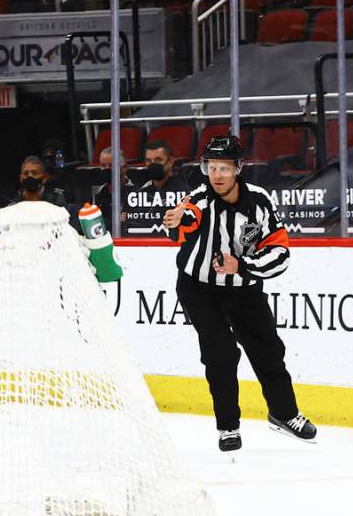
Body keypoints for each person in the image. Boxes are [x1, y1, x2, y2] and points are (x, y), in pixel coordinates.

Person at [162, 135, 317, 453]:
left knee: (268, 351)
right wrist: (174, 222)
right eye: (211, 167)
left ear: (239, 168)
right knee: (220, 353)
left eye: (224, 168)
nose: (216, 175)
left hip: (244, 289)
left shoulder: (260, 202)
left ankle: (284, 414)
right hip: (199, 289)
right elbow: (187, 221)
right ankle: (228, 426)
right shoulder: (199, 199)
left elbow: (279, 253)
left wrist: (242, 266)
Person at [95, 146, 130, 229]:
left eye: (111, 165)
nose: (107, 169)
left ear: (124, 168)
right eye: (103, 165)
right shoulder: (100, 193)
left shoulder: (135, 193)